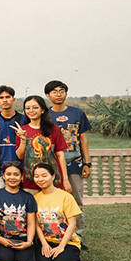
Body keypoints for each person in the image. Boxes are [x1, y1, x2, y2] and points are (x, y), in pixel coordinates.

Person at [45, 80, 91, 240]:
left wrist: (87, 162)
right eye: (54, 91)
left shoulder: (77, 113)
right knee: (52, 201)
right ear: (48, 95)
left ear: (66, 93)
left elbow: (83, 139)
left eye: (61, 91)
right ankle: (55, 233)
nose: (58, 94)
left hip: (75, 163)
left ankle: (77, 235)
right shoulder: (45, 115)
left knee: (76, 200)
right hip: (51, 166)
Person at [32, 162, 82, 261]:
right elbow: (36, 225)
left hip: (67, 241)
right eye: (37, 176)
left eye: (44, 176)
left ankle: (73, 257)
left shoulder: (66, 197)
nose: (40, 179)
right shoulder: (35, 198)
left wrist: (61, 246)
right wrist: (44, 244)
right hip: (48, 241)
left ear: (53, 176)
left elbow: (72, 224)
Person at [0, 162, 37, 261]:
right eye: (8, 174)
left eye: (16, 174)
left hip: (23, 238)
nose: (12, 177)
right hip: (3, 238)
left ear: (22, 177)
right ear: (3, 176)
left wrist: (29, 242)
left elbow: (31, 223)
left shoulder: (28, 197)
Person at [14, 95, 68, 193]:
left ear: (42, 110)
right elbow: (20, 156)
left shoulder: (54, 129)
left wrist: (66, 179)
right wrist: (23, 140)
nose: (31, 111)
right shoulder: (22, 130)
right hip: (31, 181)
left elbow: (60, 155)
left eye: (35, 108)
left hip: (52, 180)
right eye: (27, 108)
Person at [0, 86, 27, 190]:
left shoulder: (24, 120)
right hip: (0, 169)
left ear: (13, 100)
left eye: (8, 97)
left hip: (21, 169)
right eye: (1, 98)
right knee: (1, 201)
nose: (5, 100)